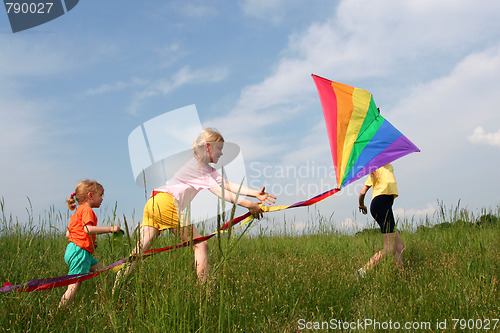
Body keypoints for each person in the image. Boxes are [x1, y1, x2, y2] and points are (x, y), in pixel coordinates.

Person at [114, 128, 276, 287]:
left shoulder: (202, 167)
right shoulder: (200, 169)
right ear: (208, 147)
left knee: (138, 252)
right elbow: (222, 193)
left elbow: (226, 184)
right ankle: (204, 292)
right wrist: (250, 205)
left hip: (153, 202)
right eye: (219, 149)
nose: (221, 153)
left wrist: (255, 194)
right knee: (201, 245)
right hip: (166, 203)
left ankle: (115, 287)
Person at [59, 180, 120, 307]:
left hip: (75, 250)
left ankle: (107, 300)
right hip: (80, 252)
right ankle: (59, 311)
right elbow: (88, 229)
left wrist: (91, 241)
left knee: (105, 272)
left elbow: (68, 234)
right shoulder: (87, 210)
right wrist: (111, 229)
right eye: (100, 195)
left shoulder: (78, 211)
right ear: (90, 196)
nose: (102, 199)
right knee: (74, 286)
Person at [357, 163, 404, 276]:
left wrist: (361, 204)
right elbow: (362, 192)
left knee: (400, 247)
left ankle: (400, 274)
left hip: (382, 205)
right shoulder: (381, 167)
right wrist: (361, 205)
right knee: (389, 249)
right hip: (381, 204)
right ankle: (362, 272)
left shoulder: (374, 172)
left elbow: (362, 192)